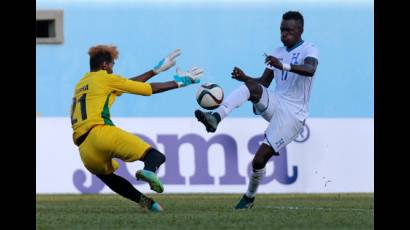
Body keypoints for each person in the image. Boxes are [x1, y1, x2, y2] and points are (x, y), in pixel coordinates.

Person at [195, 11, 319, 209]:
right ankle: (216, 117)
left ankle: (249, 198)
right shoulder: (277, 51)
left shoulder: (309, 49)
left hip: (294, 115)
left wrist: (283, 65)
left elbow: (310, 69)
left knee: (259, 160)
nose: (284, 34)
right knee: (252, 88)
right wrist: (244, 77)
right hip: (277, 103)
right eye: (282, 30)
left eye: (289, 31)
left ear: (300, 30)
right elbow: (263, 83)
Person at [70, 45, 203, 212]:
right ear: (104, 65)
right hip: (101, 132)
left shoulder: (82, 84)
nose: (112, 70)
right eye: (112, 66)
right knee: (155, 157)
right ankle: (148, 171)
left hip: (85, 151)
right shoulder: (105, 78)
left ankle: (149, 204)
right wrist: (181, 82)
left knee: (110, 179)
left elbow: (125, 84)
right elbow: (149, 89)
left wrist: (155, 70)